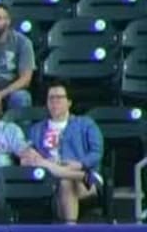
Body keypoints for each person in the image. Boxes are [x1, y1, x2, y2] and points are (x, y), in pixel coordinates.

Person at [18, 83, 105, 224]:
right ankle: (70, 230)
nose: (54, 102)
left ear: (69, 102)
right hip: (51, 178)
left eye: (59, 98)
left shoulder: (85, 124)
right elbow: (27, 155)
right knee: (63, 181)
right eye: (51, 98)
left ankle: (65, 173)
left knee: (65, 181)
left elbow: (97, 153)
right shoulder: (37, 129)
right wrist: (31, 157)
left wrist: (80, 164)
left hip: (85, 179)